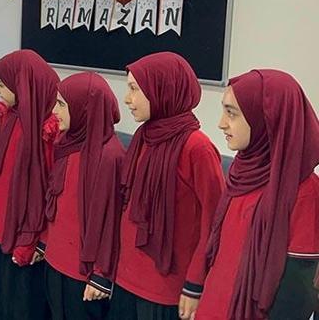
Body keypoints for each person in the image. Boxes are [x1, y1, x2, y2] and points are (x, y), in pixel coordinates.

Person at [108, 52, 225, 320]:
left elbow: (214, 222)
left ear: (162, 89)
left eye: (135, 89)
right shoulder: (144, 135)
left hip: (167, 290)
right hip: (126, 279)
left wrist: (196, 283)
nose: (127, 99)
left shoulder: (197, 148)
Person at [196, 70, 319, 319]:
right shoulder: (242, 172)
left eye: (232, 113)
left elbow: (296, 295)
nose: (221, 123)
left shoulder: (304, 192)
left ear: (268, 119)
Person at [0, 50, 59, 320]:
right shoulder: (12, 118)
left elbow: (49, 192)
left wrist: (39, 241)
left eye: (2, 84)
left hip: (26, 232)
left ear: (22, 86)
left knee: (19, 302)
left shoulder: (48, 130)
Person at [43, 72, 125, 320]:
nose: (54, 111)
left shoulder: (109, 155)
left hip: (83, 275)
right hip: (55, 260)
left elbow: (111, 221)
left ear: (84, 108)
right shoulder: (67, 142)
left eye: (61, 104)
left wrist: (101, 275)